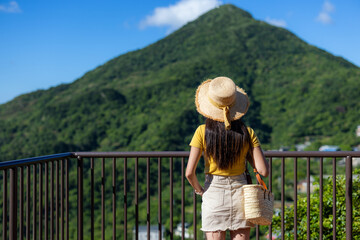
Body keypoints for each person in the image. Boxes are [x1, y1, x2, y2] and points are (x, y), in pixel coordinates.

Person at [185, 76, 269, 240]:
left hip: (214, 193)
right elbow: (263, 171)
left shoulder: (202, 132)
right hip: (242, 195)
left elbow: (189, 173)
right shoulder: (247, 132)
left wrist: (200, 190)